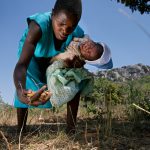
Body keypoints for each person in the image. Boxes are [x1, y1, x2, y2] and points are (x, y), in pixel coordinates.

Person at [13, 0, 113, 134]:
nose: (65, 31)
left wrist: (75, 64)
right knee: (26, 85)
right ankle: (21, 130)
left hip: (54, 60)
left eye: (71, 27)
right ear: (53, 13)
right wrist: (20, 90)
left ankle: (71, 129)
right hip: (32, 58)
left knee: (76, 77)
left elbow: (81, 57)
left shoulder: (78, 34)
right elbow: (22, 65)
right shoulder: (38, 25)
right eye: (61, 24)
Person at [45, 36, 104, 107]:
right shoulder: (83, 39)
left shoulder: (78, 57)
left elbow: (68, 61)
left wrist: (69, 60)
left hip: (61, 60)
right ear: (91, 42)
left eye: (88, 53)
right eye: (91, 46)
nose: (87, 49)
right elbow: (72, 37)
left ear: (86, 58)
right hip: (58, 47)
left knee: (70, 85)